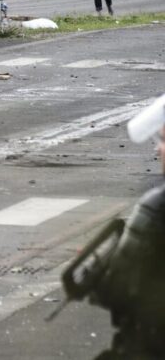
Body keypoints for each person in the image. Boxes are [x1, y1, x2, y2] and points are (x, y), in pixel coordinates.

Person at [59, 94, 165, 359]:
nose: (157, 149)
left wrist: (98, 274)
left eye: (163, 140)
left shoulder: (158, 207)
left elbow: (121, 288)